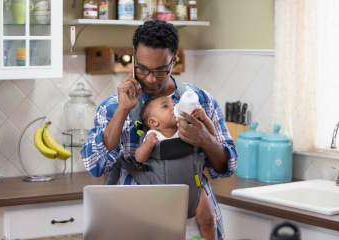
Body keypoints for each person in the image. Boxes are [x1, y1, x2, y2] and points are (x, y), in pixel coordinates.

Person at [81, 19, 238, 240]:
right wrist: (122, 111)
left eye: (161, 71)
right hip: (136, 219)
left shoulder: (200, 100)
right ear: (134, 55)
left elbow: (227, 167)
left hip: (195, 218)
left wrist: (206, 140)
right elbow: (94, 165)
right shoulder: (113, 106)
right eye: (142, 69)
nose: (150, 79)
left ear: (174, 59)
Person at [135, 96, 216, 240]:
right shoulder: (153, 136)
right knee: (164, 229)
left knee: (208, 219)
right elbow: (139, 158)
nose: (173, 106)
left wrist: (204, 119)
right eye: (166, 106)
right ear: (153, 122)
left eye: (174, 103)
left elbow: (211, 135)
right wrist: (147, 145)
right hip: (165, 195)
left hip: (195, 189)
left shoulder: (186, 129)